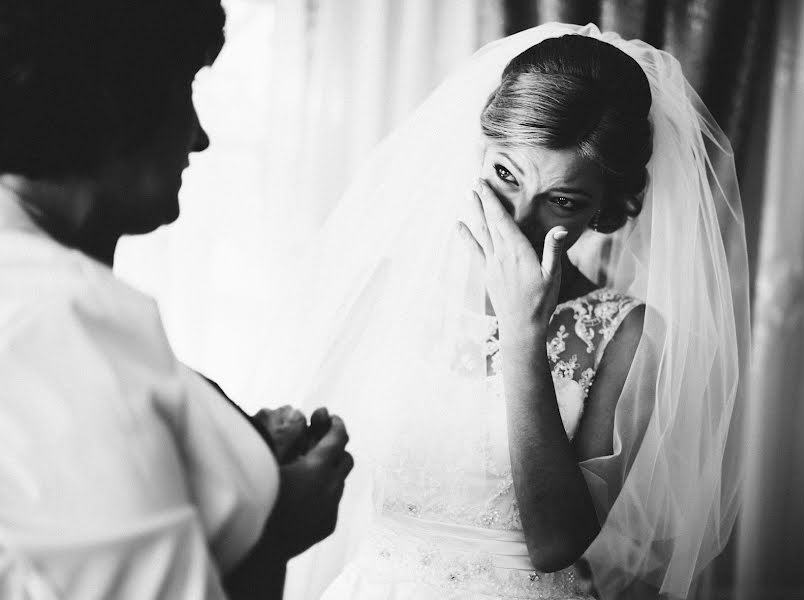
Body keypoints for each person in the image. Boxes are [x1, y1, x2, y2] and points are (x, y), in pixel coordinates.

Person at [264, 22, 750, 600]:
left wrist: (524, 334)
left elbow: (555, 543)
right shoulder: (393, 284)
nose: (518, 223)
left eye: (562, 201)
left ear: (604, 209)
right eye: (505, 175)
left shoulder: (628, 336)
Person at [0, 1, 352, 598]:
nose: (201, 137)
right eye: (187, 87)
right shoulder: (67, 317)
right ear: (116, 98)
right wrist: (275, 530)